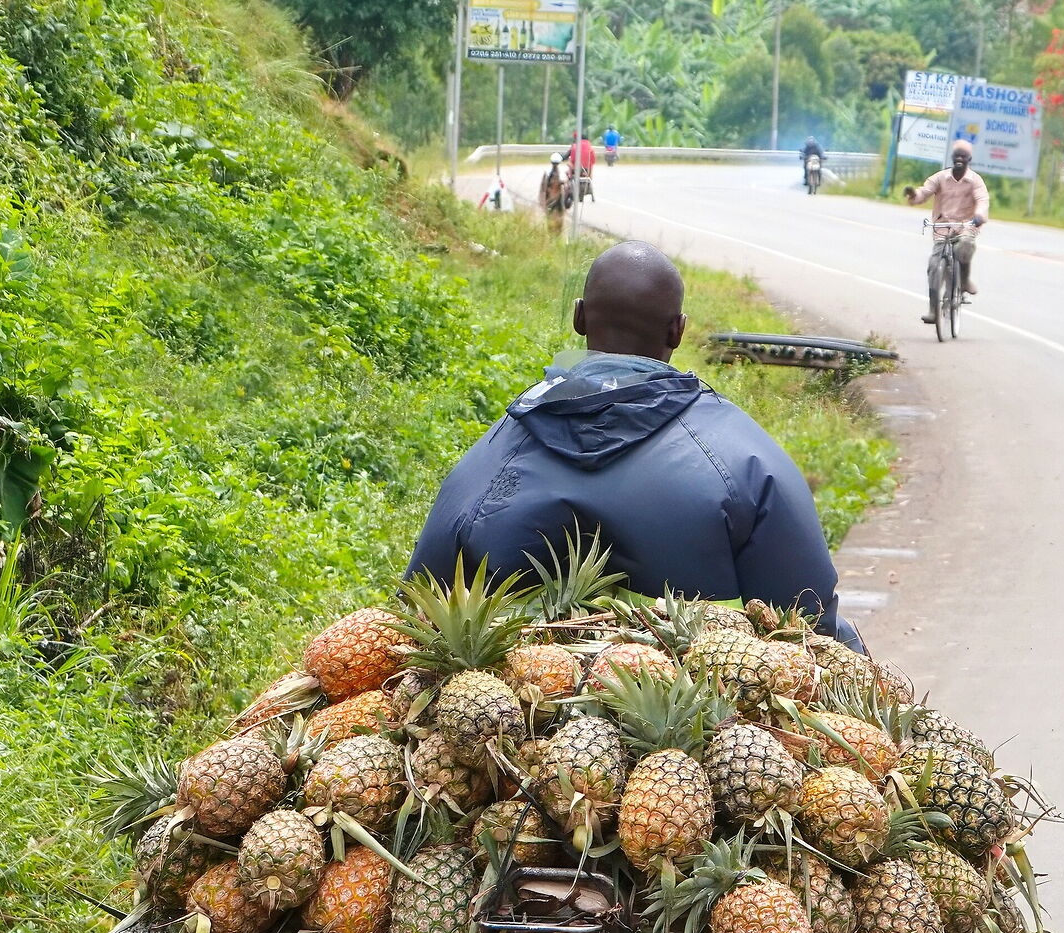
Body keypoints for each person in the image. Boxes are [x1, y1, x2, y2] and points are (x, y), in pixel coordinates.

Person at [408, 241, 863, 649]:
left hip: (514, 718)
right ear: (677, 331)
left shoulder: (494, 453)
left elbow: (417, 605)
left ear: (580, 317)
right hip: (711, 731)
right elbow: (811, 627)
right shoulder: (745, 459)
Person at [903, 140, 988, 323]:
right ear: (952, 158)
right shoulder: (940, 178)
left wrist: (980, 215)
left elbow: (982, 201)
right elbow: (924, 192)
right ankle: (933, 310)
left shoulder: (975, 181)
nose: (959, 159)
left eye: (963, 156)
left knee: (965, 245)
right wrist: (913, 195)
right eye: (956, 155)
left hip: (966, 226)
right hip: (942, 228)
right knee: (934, 266)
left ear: (969, 159)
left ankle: (964, 280)